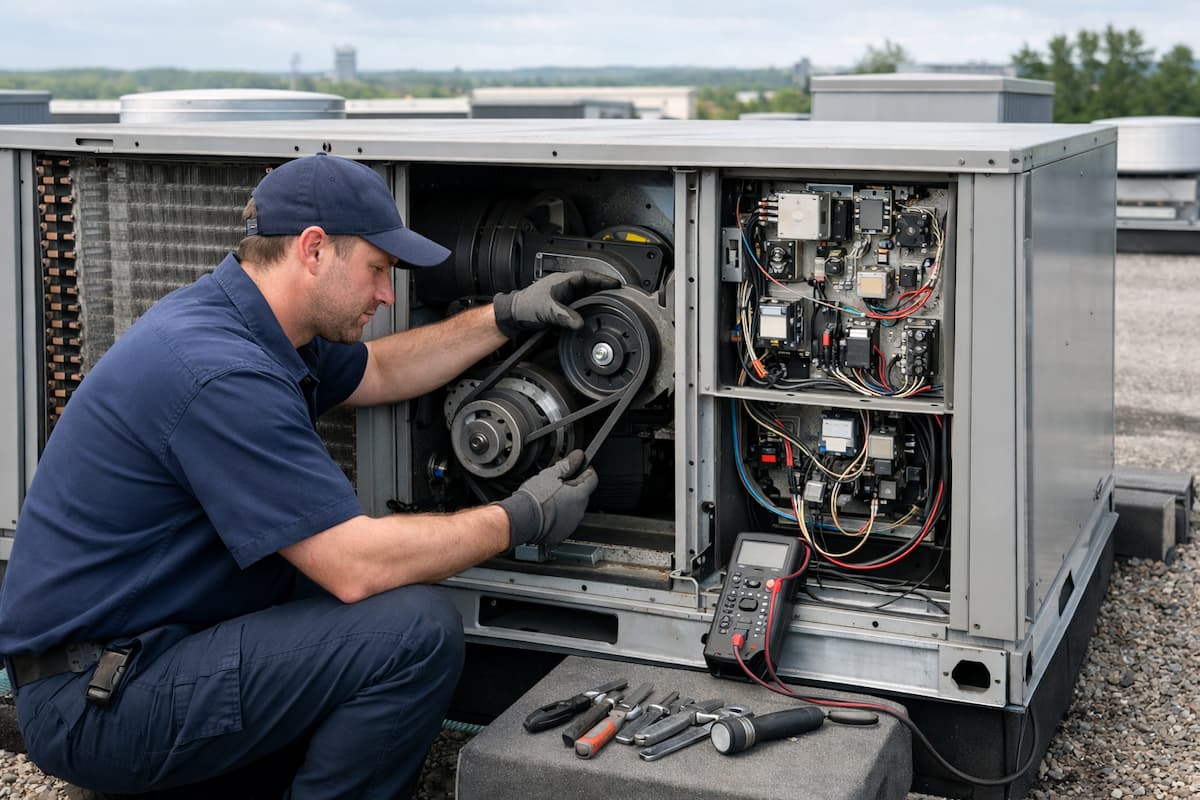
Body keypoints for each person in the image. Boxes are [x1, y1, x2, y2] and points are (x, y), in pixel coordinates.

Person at [0, 152, 614, 798]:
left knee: (330, 612)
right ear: (314, 249)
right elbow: (353, 567)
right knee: (413, 632)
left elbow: (380, 371)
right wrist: (520, 518)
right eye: (377, 269)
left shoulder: (247, 322)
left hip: (140, 655)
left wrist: (508, 315)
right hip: (99, 699)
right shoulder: (220, 373)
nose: (386, 294)